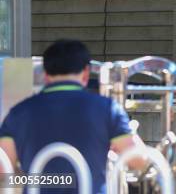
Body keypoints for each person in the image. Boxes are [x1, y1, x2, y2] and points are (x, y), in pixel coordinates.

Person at [0, 39, 145, 194]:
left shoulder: (18, 113)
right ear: (86, 73)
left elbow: (3, 169)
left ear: (45, 74)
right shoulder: (107, 109)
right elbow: (139, 161)